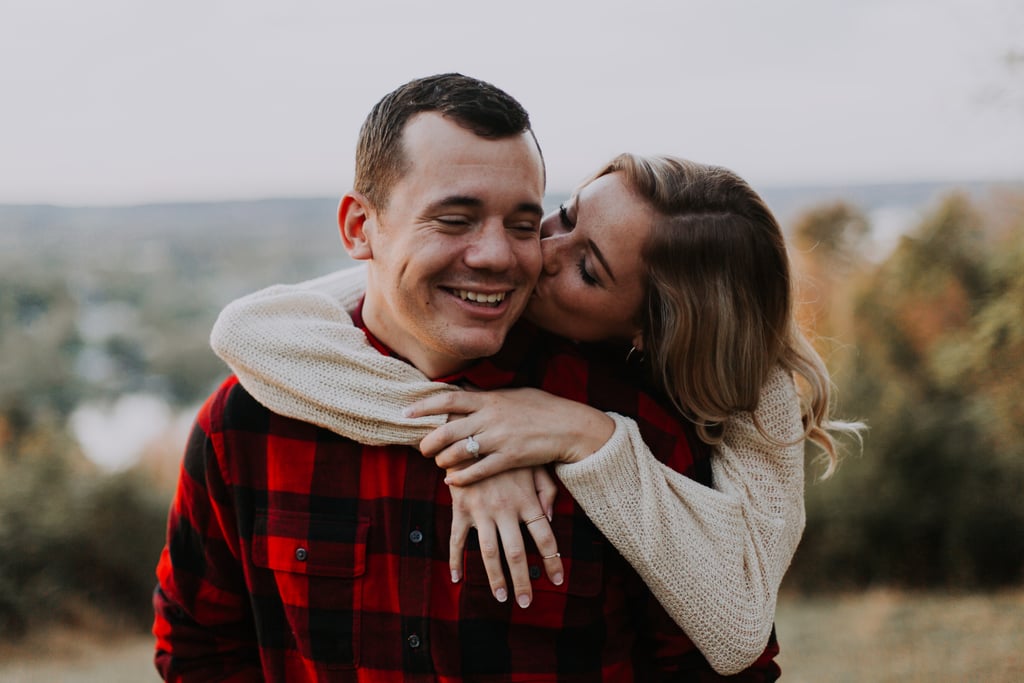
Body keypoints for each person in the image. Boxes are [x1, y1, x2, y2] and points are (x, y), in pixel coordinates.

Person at [153, 73, 789, 681]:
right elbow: (198, 645)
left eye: (521, 222)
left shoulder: (635, 427)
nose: (503, 257)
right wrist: (465, 425)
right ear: (359, 228)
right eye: (454, 220)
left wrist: (586, 441)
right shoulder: (251, 418)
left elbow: (724, 664)